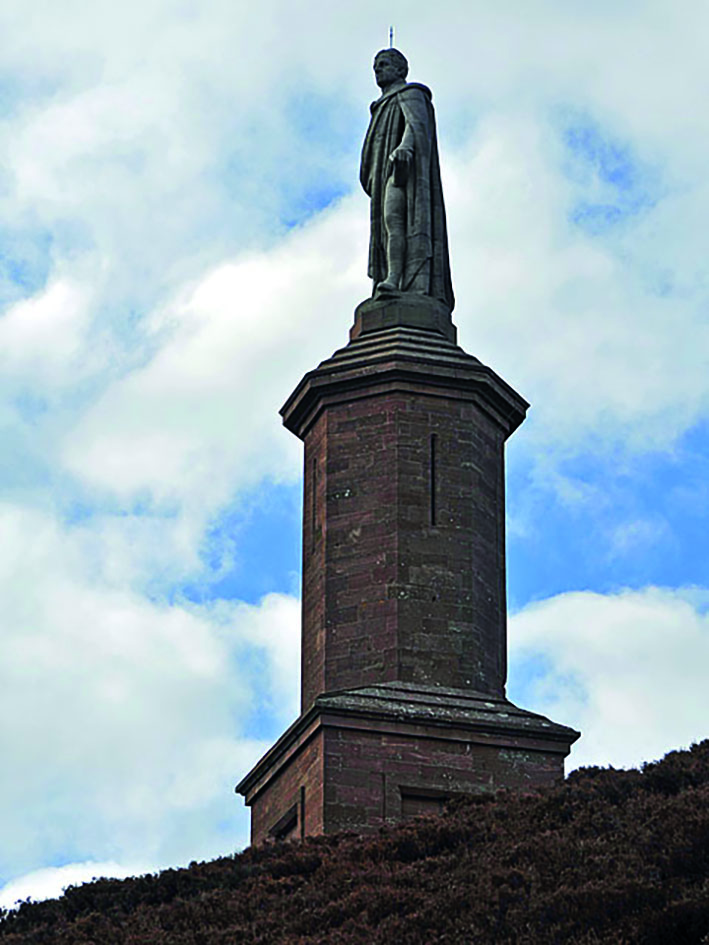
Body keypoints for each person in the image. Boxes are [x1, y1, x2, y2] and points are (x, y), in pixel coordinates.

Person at [360, 48, 454, 311]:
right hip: (385, 175)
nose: (378, 69)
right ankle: (391, 277)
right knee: (388, 227)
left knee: (396, 220)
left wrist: (406, 148)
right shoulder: (379, 107)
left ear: (401, 69)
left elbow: (416, 126)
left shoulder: (412, 94)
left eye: (384, 64)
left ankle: (395, 279)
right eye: (375, 65)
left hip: (402, 173)